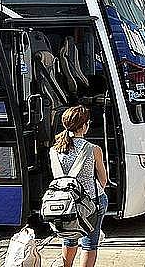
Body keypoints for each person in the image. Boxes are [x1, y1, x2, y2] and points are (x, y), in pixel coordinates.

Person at [51, 105, 108, 267]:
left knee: (69, 239)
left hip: (65, 204)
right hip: (91, 202)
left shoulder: (55, 149)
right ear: (84, 126)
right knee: (89, 243)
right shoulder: (93, 149)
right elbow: (103, 179)